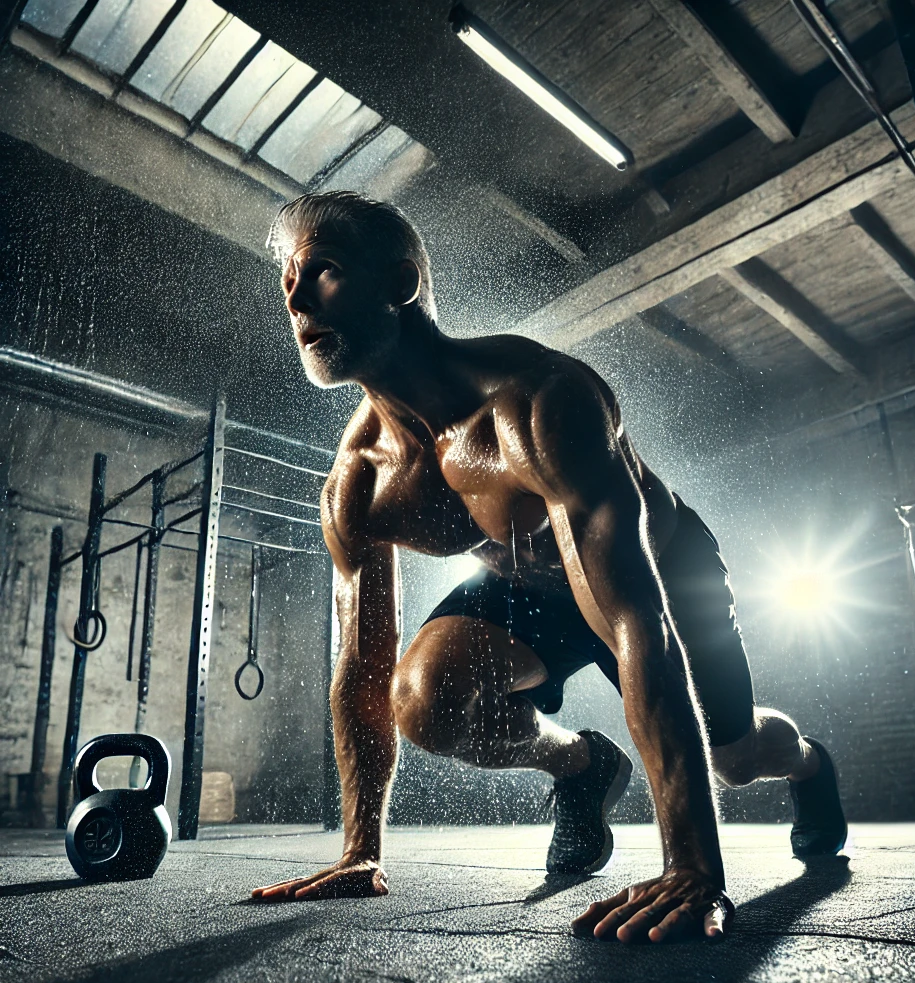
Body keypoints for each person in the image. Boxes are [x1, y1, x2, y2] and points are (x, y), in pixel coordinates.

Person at [250, 192, 847, 942]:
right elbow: (361, 672)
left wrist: (692, 866)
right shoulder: (358, 484)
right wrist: (359, 851)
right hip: (528, 586)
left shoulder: (537, 404)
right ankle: (581, 765)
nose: (297, 298)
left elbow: (634, 617)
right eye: (287, 280)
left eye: (324, 271)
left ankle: (809, 766)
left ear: (400, 285)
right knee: (420, 697)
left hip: (661, 570)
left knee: (733, 758)